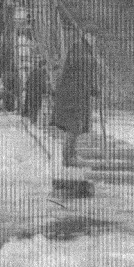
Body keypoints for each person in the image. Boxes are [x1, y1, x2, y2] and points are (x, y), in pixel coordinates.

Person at [52, 34, 98, 167]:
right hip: (71, 95)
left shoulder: (83, 49)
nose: (95, 41)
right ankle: (68, 158)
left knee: (76, 126)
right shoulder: (80, 48)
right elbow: (81, 71)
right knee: (73, 126)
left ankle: (71, 155)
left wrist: (92, 88)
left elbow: (83, 74)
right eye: (93, 37)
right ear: (88, 36)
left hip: (76, 94)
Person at [22, 59, 48, 123]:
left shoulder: (33, 72)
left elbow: (27, 82)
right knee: (36, 107)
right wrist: (45, 91)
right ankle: (33, 121)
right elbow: (43, 83)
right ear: (43, 65)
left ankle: (31, 120)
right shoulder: (41, 72)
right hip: (37, 92)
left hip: (30, 92)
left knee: (32, 106)